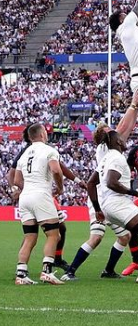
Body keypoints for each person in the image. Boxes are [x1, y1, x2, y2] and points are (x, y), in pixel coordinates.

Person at [61, 94, 138, 280]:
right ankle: (70, 271)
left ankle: (109, 270)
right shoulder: (107, 149)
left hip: (105, 197)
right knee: (96, 237)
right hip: (104, 198)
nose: (115, 132)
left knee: (125, 236)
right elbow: (123, 128)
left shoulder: (107, 150)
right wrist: (133, 105)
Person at [11, 123, 66, 286]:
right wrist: (60, 188)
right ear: (42, 134)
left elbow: (16, 181)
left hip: (25, 197)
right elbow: (56, 170)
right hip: (41, 194)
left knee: (30, 237)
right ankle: (47, 271)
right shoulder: (49, 150)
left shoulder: (24, 154)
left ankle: (21, 274)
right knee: (54, 235)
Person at [92, 130, 138, 284]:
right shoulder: (117, 158)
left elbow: (91, 183)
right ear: (118, 141)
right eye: (122, 139)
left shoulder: (106, 159)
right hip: (117, 202)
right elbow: (112, 182)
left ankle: (112, 269)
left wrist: (98, 208)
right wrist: (134, 192)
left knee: (131, 233)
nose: (125, 141)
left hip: (108, 206)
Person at [109, 2, 138, 92]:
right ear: (121, 19)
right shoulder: (126, 25)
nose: (127, 15)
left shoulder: (125, 33)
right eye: (125, 15)